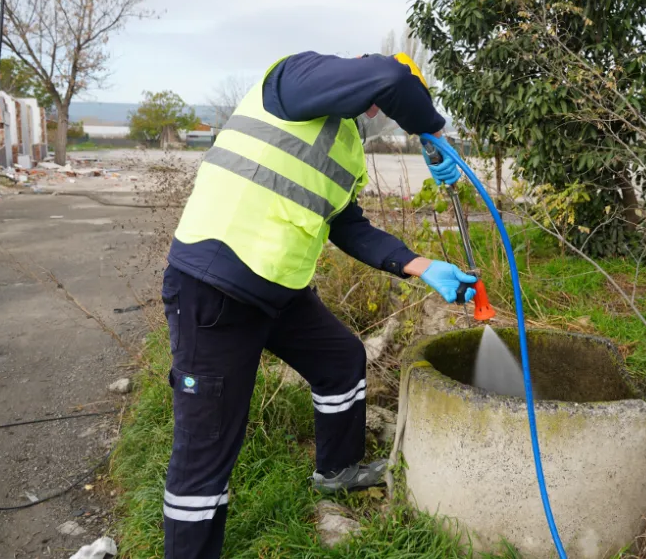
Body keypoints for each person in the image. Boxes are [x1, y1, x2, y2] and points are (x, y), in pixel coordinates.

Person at [159, 51, 469, 559]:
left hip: (279, 293)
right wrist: (432, 131)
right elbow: (392, 77)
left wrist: (420, 266)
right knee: (207, 446)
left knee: (341, 361)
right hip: (214, 288)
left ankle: (337, 471)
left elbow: (349, 228)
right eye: (385, 104)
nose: (379, 113)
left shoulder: (346, 150)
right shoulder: (293, 81)